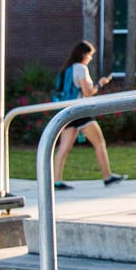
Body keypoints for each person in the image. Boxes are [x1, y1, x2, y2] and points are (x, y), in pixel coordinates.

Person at [51, 40, 127, 189]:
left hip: (66, 111)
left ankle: (56, 180)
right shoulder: (80, 68)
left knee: (63, 148)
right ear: (83, 54)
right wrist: (100, 84)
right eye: (90, 55)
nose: (91, 58)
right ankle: (107, 177)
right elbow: (87, 92)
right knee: (99, 143)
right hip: (80, 111)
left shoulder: (66, 69)